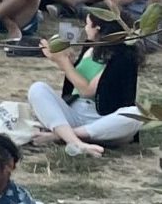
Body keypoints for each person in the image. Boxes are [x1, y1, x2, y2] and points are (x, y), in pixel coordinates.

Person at [24, 23, 145, 155]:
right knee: (38, 88)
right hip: (75, 112)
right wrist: (63, 60)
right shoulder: (90, 47)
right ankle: (76, 141)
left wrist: (63, 62)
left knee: (137, 114)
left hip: (103, 120)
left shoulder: (123, 57)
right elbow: (75, 79)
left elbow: (87, 91)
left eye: (88, 24)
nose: (85, 27)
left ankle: (61, 136)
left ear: (98, 28)